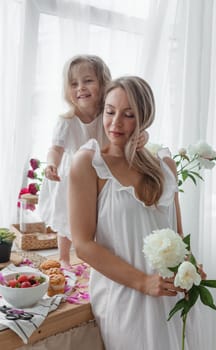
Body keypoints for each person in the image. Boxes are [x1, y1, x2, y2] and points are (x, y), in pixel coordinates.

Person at [68, 76, 202, 349]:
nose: (116, 123)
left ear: (145, 118)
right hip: (124, 298)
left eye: (129, 115)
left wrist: (189, 266)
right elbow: (83, 245)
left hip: (170, 294)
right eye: (110, 111)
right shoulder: (88, 163)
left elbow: (176, 235)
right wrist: (142, 282)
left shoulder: (164, 164)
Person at [38, 56, 148, 267]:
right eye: (74, 83)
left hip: (100, 173)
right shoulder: (67, 120)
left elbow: (135, 130)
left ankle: (92, 255)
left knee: (96, 216)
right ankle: (63, 258)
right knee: (66, 215)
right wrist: (51, 164)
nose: (80, 88)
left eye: (88, 81)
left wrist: (144, 137)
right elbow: (55, 148)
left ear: (103, 82)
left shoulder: (108, 115)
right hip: (71, 176)